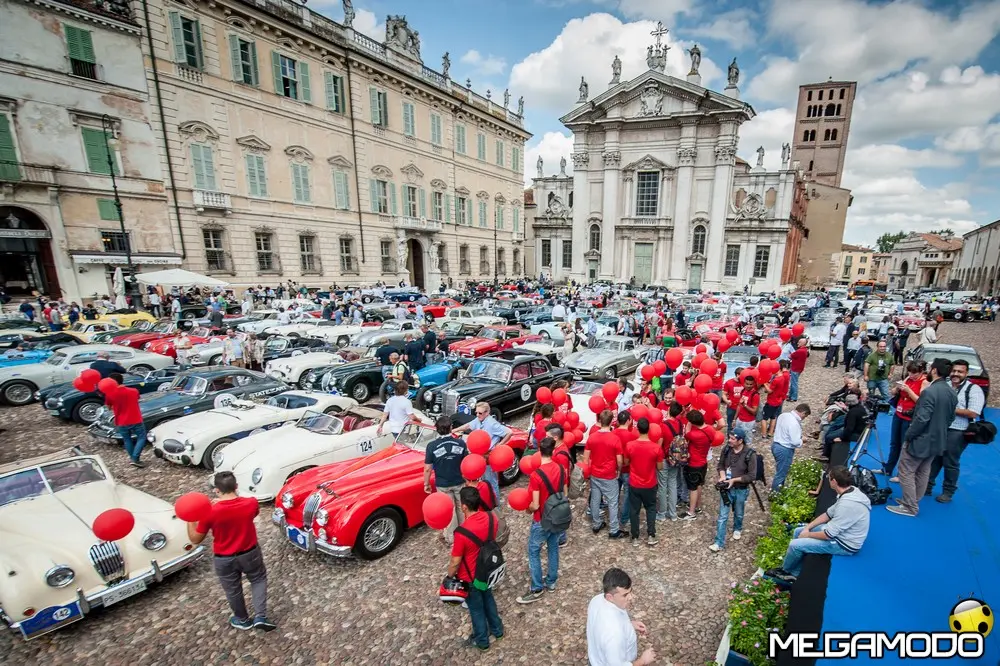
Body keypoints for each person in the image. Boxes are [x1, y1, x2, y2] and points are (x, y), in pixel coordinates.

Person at [186, 471, 275, 631]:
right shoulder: (251, 503)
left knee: (233, 590)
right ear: (236, 486)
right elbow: (252, 513)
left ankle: (242, 620)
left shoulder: (210, 512)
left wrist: (190, 519)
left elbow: (195, 539)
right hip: (250, 553)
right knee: (258, 579)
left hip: (224, 558)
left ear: (216, 490)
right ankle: (260, 616)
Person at [766, 465, 871, 583]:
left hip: (844, 543)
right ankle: (795, 568)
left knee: (795, 545)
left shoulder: (847, 505)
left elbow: (828, 535)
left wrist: (807, 535)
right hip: (839, 533)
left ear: (834, 481)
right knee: (798, 531)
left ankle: (787, 573)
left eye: (828, 477)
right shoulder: (850, 491)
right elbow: (827, 514)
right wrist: (807, 527)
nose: (827, 480)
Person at [888, 358, 956, 517]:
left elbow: (922, 418)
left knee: (906, 470)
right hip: (938, 439)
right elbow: (951, 417)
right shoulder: (951, 391)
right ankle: (912, 500)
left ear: (934, 370)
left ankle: (910, 506)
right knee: (923, 471)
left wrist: (910, 435)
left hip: (920, 439)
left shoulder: (929, 392)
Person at [448, 487, 504, 651]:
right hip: (487, 571)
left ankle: (482, 641)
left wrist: (449, 576)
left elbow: (455, 562)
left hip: (470, 577)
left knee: (476, 610)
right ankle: (498, 631)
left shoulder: (462, 532)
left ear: (464, 506)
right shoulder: (492, 518)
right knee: (489, 599)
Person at [926, 359, 984, 503]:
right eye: (954, 371)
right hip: (940, 428)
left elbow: (973, 412)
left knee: (950, 461)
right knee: (934, 458)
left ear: (966, 373)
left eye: (960, 371)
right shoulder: (944, 385)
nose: (956, 374)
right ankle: (927, 486)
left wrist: (949, 408)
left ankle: (948, 491)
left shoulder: (973, 389)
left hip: (958, 430)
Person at [517, 437, 565, 604]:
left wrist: (527, 508)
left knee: (534, 551)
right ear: (553, 450)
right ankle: (551, 581)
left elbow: (536, 504)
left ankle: (537, 588)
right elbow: (564, 492)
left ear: (539, 451)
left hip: (541, 519)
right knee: (553, 548)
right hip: (557, 516)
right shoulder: (561, 468)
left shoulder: (536, 475)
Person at [586, 568, 656, 666]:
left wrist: (629, 625)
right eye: (625, 595)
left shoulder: (596, 600)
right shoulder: (614, 634)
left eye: (630, 591)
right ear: (610, 597)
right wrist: (643, 660)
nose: (631, 597)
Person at [710, 430, 759, 552]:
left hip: (740, 489)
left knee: (739, 512)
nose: (729, 441)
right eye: (729, 438)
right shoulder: (726, 450)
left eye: (732, 439)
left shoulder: (750, 454)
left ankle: (738, 528)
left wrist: (734, 480)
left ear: (740, 441)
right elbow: (721, 465)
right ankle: (719, 542)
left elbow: (751, 476)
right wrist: (722, 476)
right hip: (726, 489)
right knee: (722, 516)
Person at [582, 409, 627, 539]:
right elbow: (619, 460)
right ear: (611, 421)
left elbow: (585, 458)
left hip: (595, 473)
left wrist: (588, 471)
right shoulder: (615, 438)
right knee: (612, 502)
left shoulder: (592, 437)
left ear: (600, 420)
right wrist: (618, 470)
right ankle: (614, 529)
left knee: (595, 499)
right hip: (609, 474)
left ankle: (596, 523)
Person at [453, 402, 512, 500]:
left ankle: (495, 503)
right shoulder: (479, 420)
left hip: (488, 456)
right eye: (476, 412)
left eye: (480, 413)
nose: (477, 415)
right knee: (483, 480)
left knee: (491, 482)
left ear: (487, 412)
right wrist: (455, 430)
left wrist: (500, 445)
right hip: (479, 456)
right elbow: (468, 425)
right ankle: (487, 500)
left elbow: (509, 432)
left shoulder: (492, 424)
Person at [424, 415, 468, 543]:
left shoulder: (431, 446)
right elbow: (466, 462)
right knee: (461, 507)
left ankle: (452, 537)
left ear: (436, 429)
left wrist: (426, 483)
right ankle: (464, 533)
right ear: (451, 427)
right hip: (459, 480)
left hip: (443, 484)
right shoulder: (460, 443)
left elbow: (427, 469)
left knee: (449, 510)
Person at [881, 361, 928, 481]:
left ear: (921, 372)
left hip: (910, 417)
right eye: (909, 372)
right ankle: (888, 468)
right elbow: (892, 392)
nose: (911, 375)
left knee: (904, 445)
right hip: (899, 413)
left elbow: (921, 401)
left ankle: (901, 474)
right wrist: (898, 387)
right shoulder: (908, 378)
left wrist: (908, 390)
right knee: (894, 443)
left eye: (914, 373)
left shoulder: (924, 382)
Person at [680, 410, 716, 520]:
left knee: (693, 488)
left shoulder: (694, 435)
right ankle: (697, 506)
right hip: (703, 462)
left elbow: (686, 433)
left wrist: (688, 422)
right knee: (699, 484)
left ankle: (691, 512)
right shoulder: (710, 429)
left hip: (693, 464)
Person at [105, 372, 146, 467]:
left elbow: (109, 408)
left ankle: (133, 458)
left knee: (127, 440)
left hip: (121, 421)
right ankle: (135, 458)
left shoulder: (110, 394)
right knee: (141, 437)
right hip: (135, 418)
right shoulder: (134, 391)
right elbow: (137, 399)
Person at [771, 404, 810, 491]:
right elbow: (795, 442)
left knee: (780, 469)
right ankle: (775, 494)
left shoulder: (783, 415)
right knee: (781, 474)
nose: (804, 418)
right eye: (805, 416)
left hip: (775, 445)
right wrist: (802, 440)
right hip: (785, 449)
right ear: (803, 413)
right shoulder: (794, 423)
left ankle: (779, 489)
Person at [822, 393, 866, 462]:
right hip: (860, 431)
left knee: (829, 437)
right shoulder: (861, 408)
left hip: (856, 434)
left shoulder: (852, 413)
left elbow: (849, 429)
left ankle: (827, 456)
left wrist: (842, 438)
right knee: (833, 432)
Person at [760, 360, 790, 438]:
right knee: (773, 417)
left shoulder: (776, 380)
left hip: (771, 401)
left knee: (764, 418)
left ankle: (764, 434)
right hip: (778, 400)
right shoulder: (782, 377)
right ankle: (770, 433)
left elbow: (770, 391)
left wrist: (764, 383)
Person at [731, 375, 760, 442]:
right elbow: (739, 406)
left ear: (754, 384)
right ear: (744, 383)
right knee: (737, 438)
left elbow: (754, 411)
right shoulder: (743, 391)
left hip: (748, 422)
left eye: (751, 384)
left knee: (747, 440)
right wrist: (734, 419)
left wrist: (744, 405)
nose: (748, 386)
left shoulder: (755, 395)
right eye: (747, 384)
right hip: (739, 419)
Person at [788, 338, 809, 402]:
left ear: (803, 343)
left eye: (799, 342)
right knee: (793, 382)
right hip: (798, 368)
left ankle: (793, 397)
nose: (797, 343)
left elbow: (790, 356)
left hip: (795, 368)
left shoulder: (800, 351)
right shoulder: (805, 350)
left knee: (794, 383)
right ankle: (790, 395)